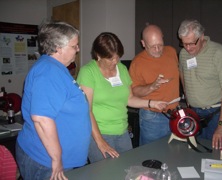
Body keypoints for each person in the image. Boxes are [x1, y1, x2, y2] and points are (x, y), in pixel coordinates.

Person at [16, 21, 92, 180]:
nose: (77, 49)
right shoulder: (49, 71)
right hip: (46, 162)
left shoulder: (57, 69)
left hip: (54, 160)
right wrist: (57, 158)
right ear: (58, 47)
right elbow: (42, 119)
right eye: (74, 46)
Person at [76, 32, 168, 163]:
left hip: (122, 132)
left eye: (117, 57)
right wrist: (100, 141)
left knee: (127, 170)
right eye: (111, 59)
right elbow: (86, 110)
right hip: (99, 133)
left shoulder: (122, 69)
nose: (115, 61)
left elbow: (129, 98)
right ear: (98, 55)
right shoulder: (88, 72)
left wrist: (152, 103)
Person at [178, 19, 222, 150]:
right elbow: (181, 73)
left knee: (216, 155)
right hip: (194, 113)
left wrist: (221, 126)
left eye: (192, 43)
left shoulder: (219, 54)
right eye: (184, 44)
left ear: (202, 36)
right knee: (195, 153)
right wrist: (188, 96)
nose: (188, 48)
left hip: (216, 114)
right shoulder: (183, 54)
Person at [129, 25, 180, 145]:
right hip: (152, 117)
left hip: (175, 113)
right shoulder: (137, 63)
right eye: (153, 46)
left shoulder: (172, 52)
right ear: (143, 43)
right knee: (151, 155)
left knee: (173, 153)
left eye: (160, 45)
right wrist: (152, 86)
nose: (158, 49)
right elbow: (135, 92)